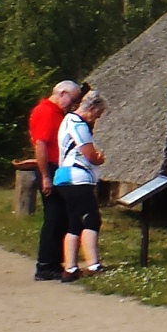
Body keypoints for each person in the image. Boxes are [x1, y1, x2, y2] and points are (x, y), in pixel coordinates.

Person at [27, 80, 82, 281]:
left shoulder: (57, 113)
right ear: (62, 93)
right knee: (54, 216)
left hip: (56, 167)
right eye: (73, 99)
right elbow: (40, 145)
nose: (73, 105)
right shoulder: (47, 112)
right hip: (50, 167)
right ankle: (45, 264)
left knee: (61, 216)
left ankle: (54, 261)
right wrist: (45, 176)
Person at [53, 89, 107, 279]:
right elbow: (89, 154)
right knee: (91, 219)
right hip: (77, 178)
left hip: (64, 178)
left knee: (74, 223)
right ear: (90, 108)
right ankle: (93, 265)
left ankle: (71, 268)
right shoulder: (78, 124)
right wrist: (99, 159)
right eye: (96, 115)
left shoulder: (67, 121)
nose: (95, 119)